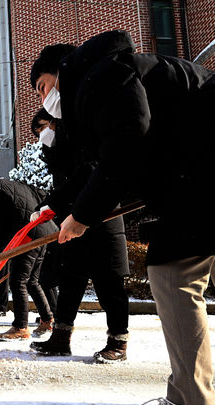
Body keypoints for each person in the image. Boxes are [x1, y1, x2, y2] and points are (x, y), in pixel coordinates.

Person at [30, 30, 215, 405]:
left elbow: (128, 139)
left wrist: (82, 216)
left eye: (44, 87)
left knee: (171, 271)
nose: (45, 99)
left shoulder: (97, 73)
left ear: (61, 69)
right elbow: (101, 163)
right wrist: (61, 206)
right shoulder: (110, 78)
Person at [29, 108, 130, 361]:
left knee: (109, 284)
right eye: (37, 131)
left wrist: (52, 202)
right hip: (73, 225)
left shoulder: (78, 140)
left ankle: (118, 342)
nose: (42, 134)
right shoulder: (56, 154)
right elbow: (65, 186)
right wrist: (48, 208)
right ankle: (61, 338)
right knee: (70, 282)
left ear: (56, 122)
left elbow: (86, 175)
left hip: (102, 220)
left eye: (43, 127)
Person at [0, 167, 56, 340]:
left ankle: (20, 327)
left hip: (28, 236)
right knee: (31, 281)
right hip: (44, 232)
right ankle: (47, 319)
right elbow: (41, 195)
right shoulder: (14, 184)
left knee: (18, 282)